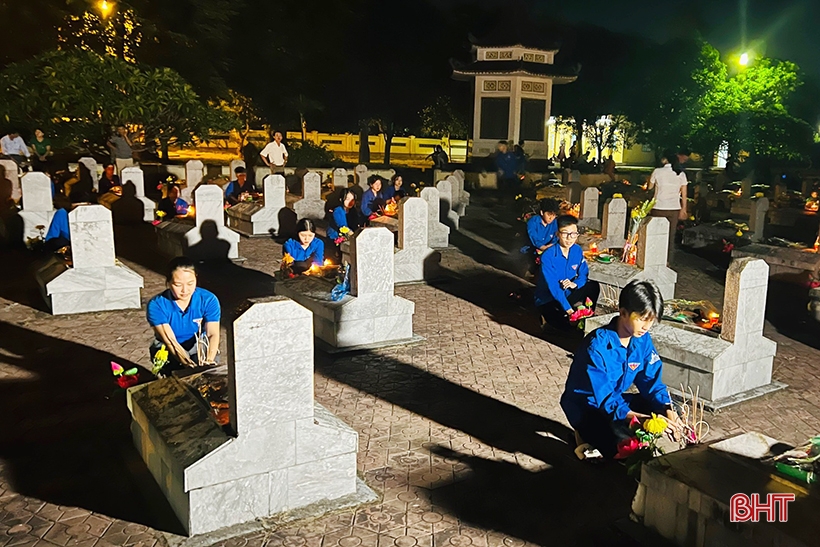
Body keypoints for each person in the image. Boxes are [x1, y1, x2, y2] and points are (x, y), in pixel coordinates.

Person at [560, 280, 682, 460]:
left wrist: (669, 413)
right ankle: (583, 434)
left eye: (651, 321)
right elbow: (607, 400)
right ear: (623, 312)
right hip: (588, 406)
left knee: (671, 407)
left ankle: (620, 432)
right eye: (641, 319)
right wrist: (643, 420)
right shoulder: (597, 347)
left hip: (615, 400)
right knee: (626, 448)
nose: (646, 327)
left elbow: (652, 384)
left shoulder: (642, 340)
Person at [146, 257, 221, 373]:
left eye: (190, 283)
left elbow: (213, 334)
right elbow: (170, 340)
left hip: (198, 344)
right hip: (169, 346)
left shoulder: (208, 299)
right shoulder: (157, 304)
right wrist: (186, 363)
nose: (185, 290)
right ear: (169, 282)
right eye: (178, 285)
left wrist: (208, 361)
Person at [534, 215, 600, 330]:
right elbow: (554, 288)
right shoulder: (548, 256)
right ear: (557, 234)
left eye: (573, 234)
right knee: (565, 329)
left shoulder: (577, 250)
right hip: (550, 298)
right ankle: (548, 318)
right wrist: (570, 312)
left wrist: (576, 284)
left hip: (567, 292)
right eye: (565, 234)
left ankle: (587, 313)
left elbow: (583, 273)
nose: (570, 238)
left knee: (593, 286)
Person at [647, 150, 688, 263]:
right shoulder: (681, 174)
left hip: (658, 207)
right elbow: (684, 194)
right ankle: (667, 261)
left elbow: (649, 187)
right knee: (670, 236)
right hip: (674, 208)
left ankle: (653, 259)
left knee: (655, 234)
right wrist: (684, 209)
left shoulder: (657, 171)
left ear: (665, 160)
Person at [525, 198, 560, 273]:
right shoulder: (533, 222)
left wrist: (548, 247)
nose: (551, 218)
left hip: (546, 250)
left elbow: (556, 237)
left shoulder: (554, 223)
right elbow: (534, 238)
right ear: (542, 212)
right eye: (549, 215)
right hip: (530, 251)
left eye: (554, 215)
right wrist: (543, 248)